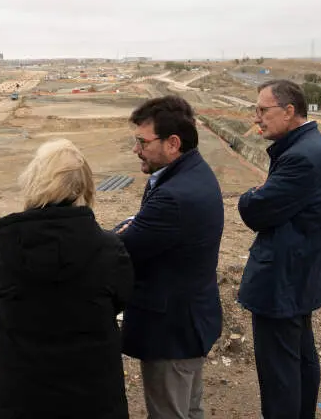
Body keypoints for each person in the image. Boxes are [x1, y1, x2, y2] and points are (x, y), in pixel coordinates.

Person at [0, 139, 133, 419]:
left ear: (34, 181)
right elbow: (120, 299)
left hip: (21, 395)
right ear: (85, 186)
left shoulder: (1, 248)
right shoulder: (110, 250)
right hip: (93, 396)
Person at [237, 80, 321, 419]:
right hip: (297, 276)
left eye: (262, 110)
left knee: (280, 375)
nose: (257, 118)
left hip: (283, 281)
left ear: (289, 111)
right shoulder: (309, 147)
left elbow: (255, 211)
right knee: (298, 360)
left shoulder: (300, 158)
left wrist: (251, 195)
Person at [117, 95, 224, 419]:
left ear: (173, 143)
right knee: (189, 410)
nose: (136, 149)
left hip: (171, 331)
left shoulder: (174, 196)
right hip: (189, 321)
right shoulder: (191, 173)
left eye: (142, 142)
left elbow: (124, 248)